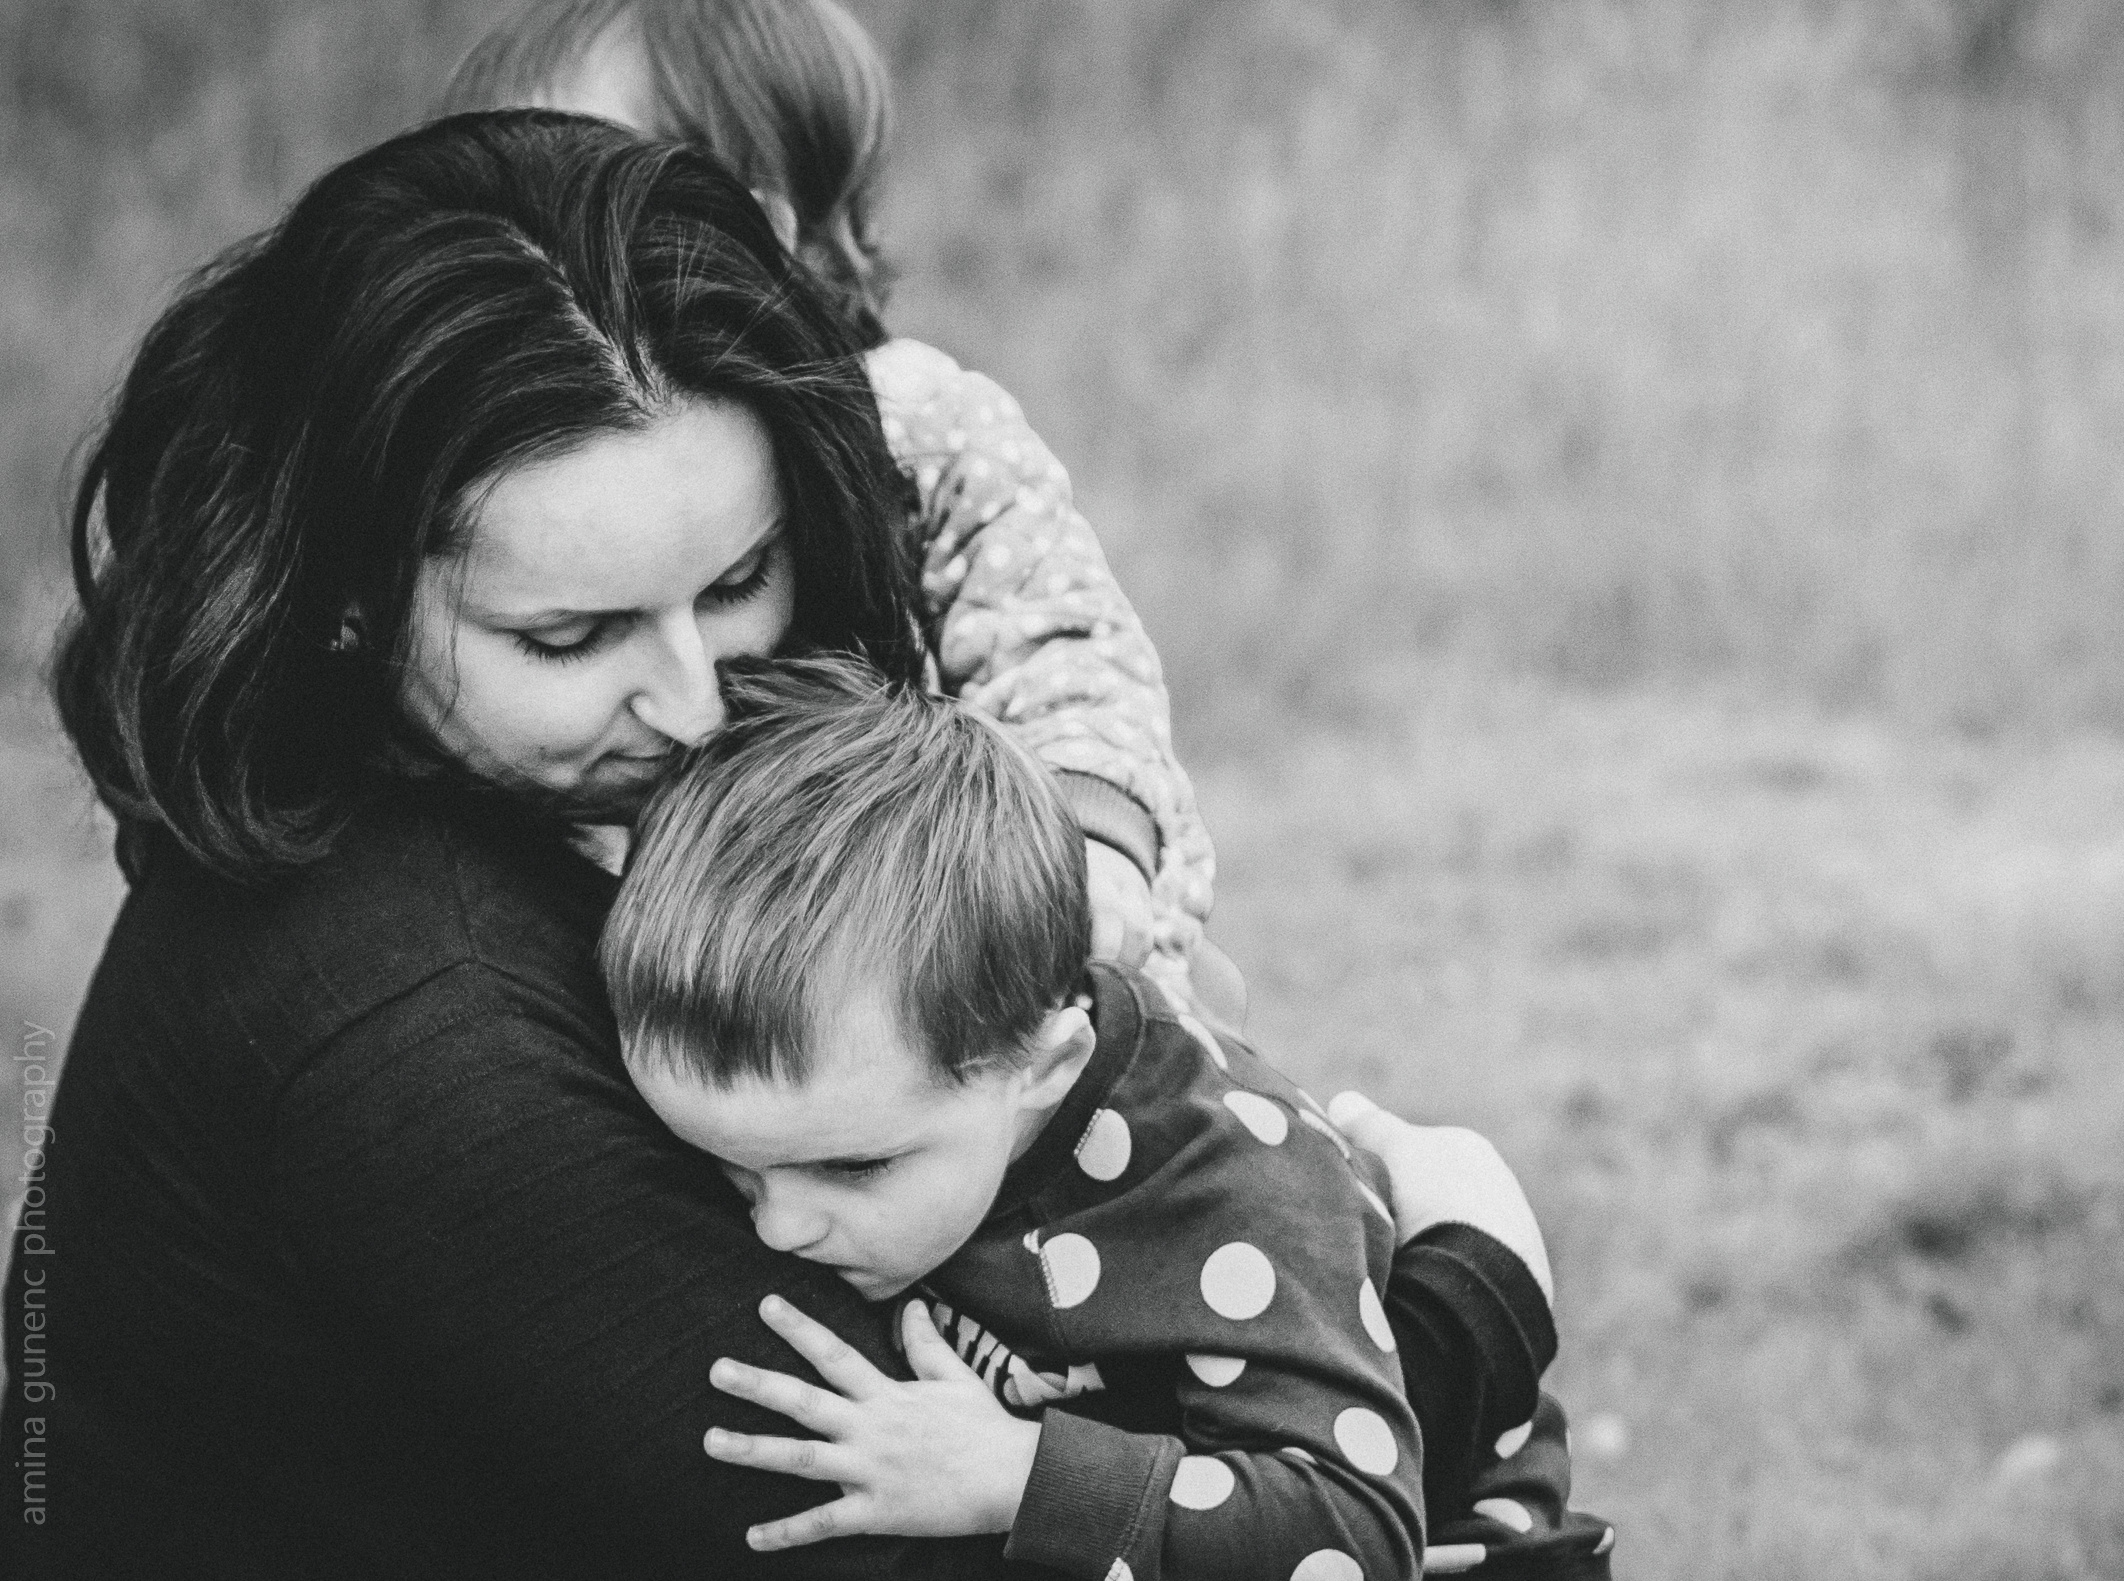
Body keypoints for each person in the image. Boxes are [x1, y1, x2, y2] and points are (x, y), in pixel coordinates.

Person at [3, 111, 1560, 1579]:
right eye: (570, 634)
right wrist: (1463, 1318)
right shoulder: (403, 1024)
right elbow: (922, 1540)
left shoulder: (527, 826)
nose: (690, 702)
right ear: (339, 602)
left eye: (740, 578)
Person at [597, 657, 1613, 1577]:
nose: (778, 1227)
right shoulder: (903, 1101)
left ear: (1045, 1068)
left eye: (854, 1170)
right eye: (730, 1170)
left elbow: (1353, 1535)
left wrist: (1018, 1474)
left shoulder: (1226, 1182)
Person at [441, 0, 1244, 1025]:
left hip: (1009, 963)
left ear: (758, 228)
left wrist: (1086, 852)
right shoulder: (533, 499)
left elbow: (1069, 653)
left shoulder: (915, 424)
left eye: (586, 191)